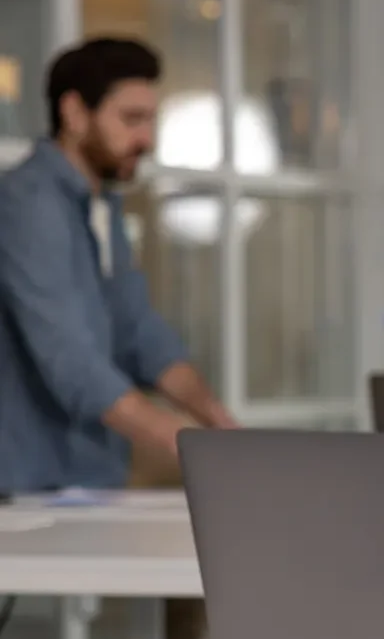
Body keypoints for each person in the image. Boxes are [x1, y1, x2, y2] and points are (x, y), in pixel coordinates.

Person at [0, 38, 237, 495]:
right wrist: (190, 446)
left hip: (87, 485)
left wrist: (220, 424)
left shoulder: (101, 206)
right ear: (74, 114)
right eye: (131, 119)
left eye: (151, 120)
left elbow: (140, 333)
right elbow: (71, 362)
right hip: (24, 493)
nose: (146, 139)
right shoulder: (27, 205)